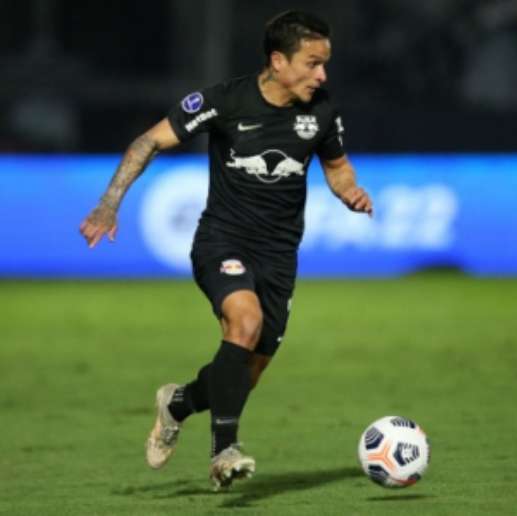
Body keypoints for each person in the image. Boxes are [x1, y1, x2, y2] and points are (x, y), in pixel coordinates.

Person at [79, 10, 373, 490]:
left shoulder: (322, 107)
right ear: (278, 61)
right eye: (313, 64)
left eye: (326, 65)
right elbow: (149, 141)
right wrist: (109, 204)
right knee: (245, 320)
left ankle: (176, 404)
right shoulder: (224, 101)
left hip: (280, 256)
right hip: (223, 240)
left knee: (242, 375)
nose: (322, 76)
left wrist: (350, 191)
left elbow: (337, 167)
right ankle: (224, 453)